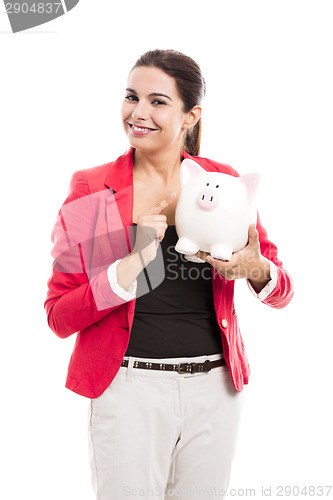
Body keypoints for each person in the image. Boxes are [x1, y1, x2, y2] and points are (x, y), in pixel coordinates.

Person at [44, 49, 294, 500]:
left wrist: (255, 268)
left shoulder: (223, 181)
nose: (138, 113)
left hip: (216, 391)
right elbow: (60, 315)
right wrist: (133, 262)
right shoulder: (94, 189)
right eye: (131, 97)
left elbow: (282, 290)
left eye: (158, 101)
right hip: (128, 391)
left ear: (190, 116)